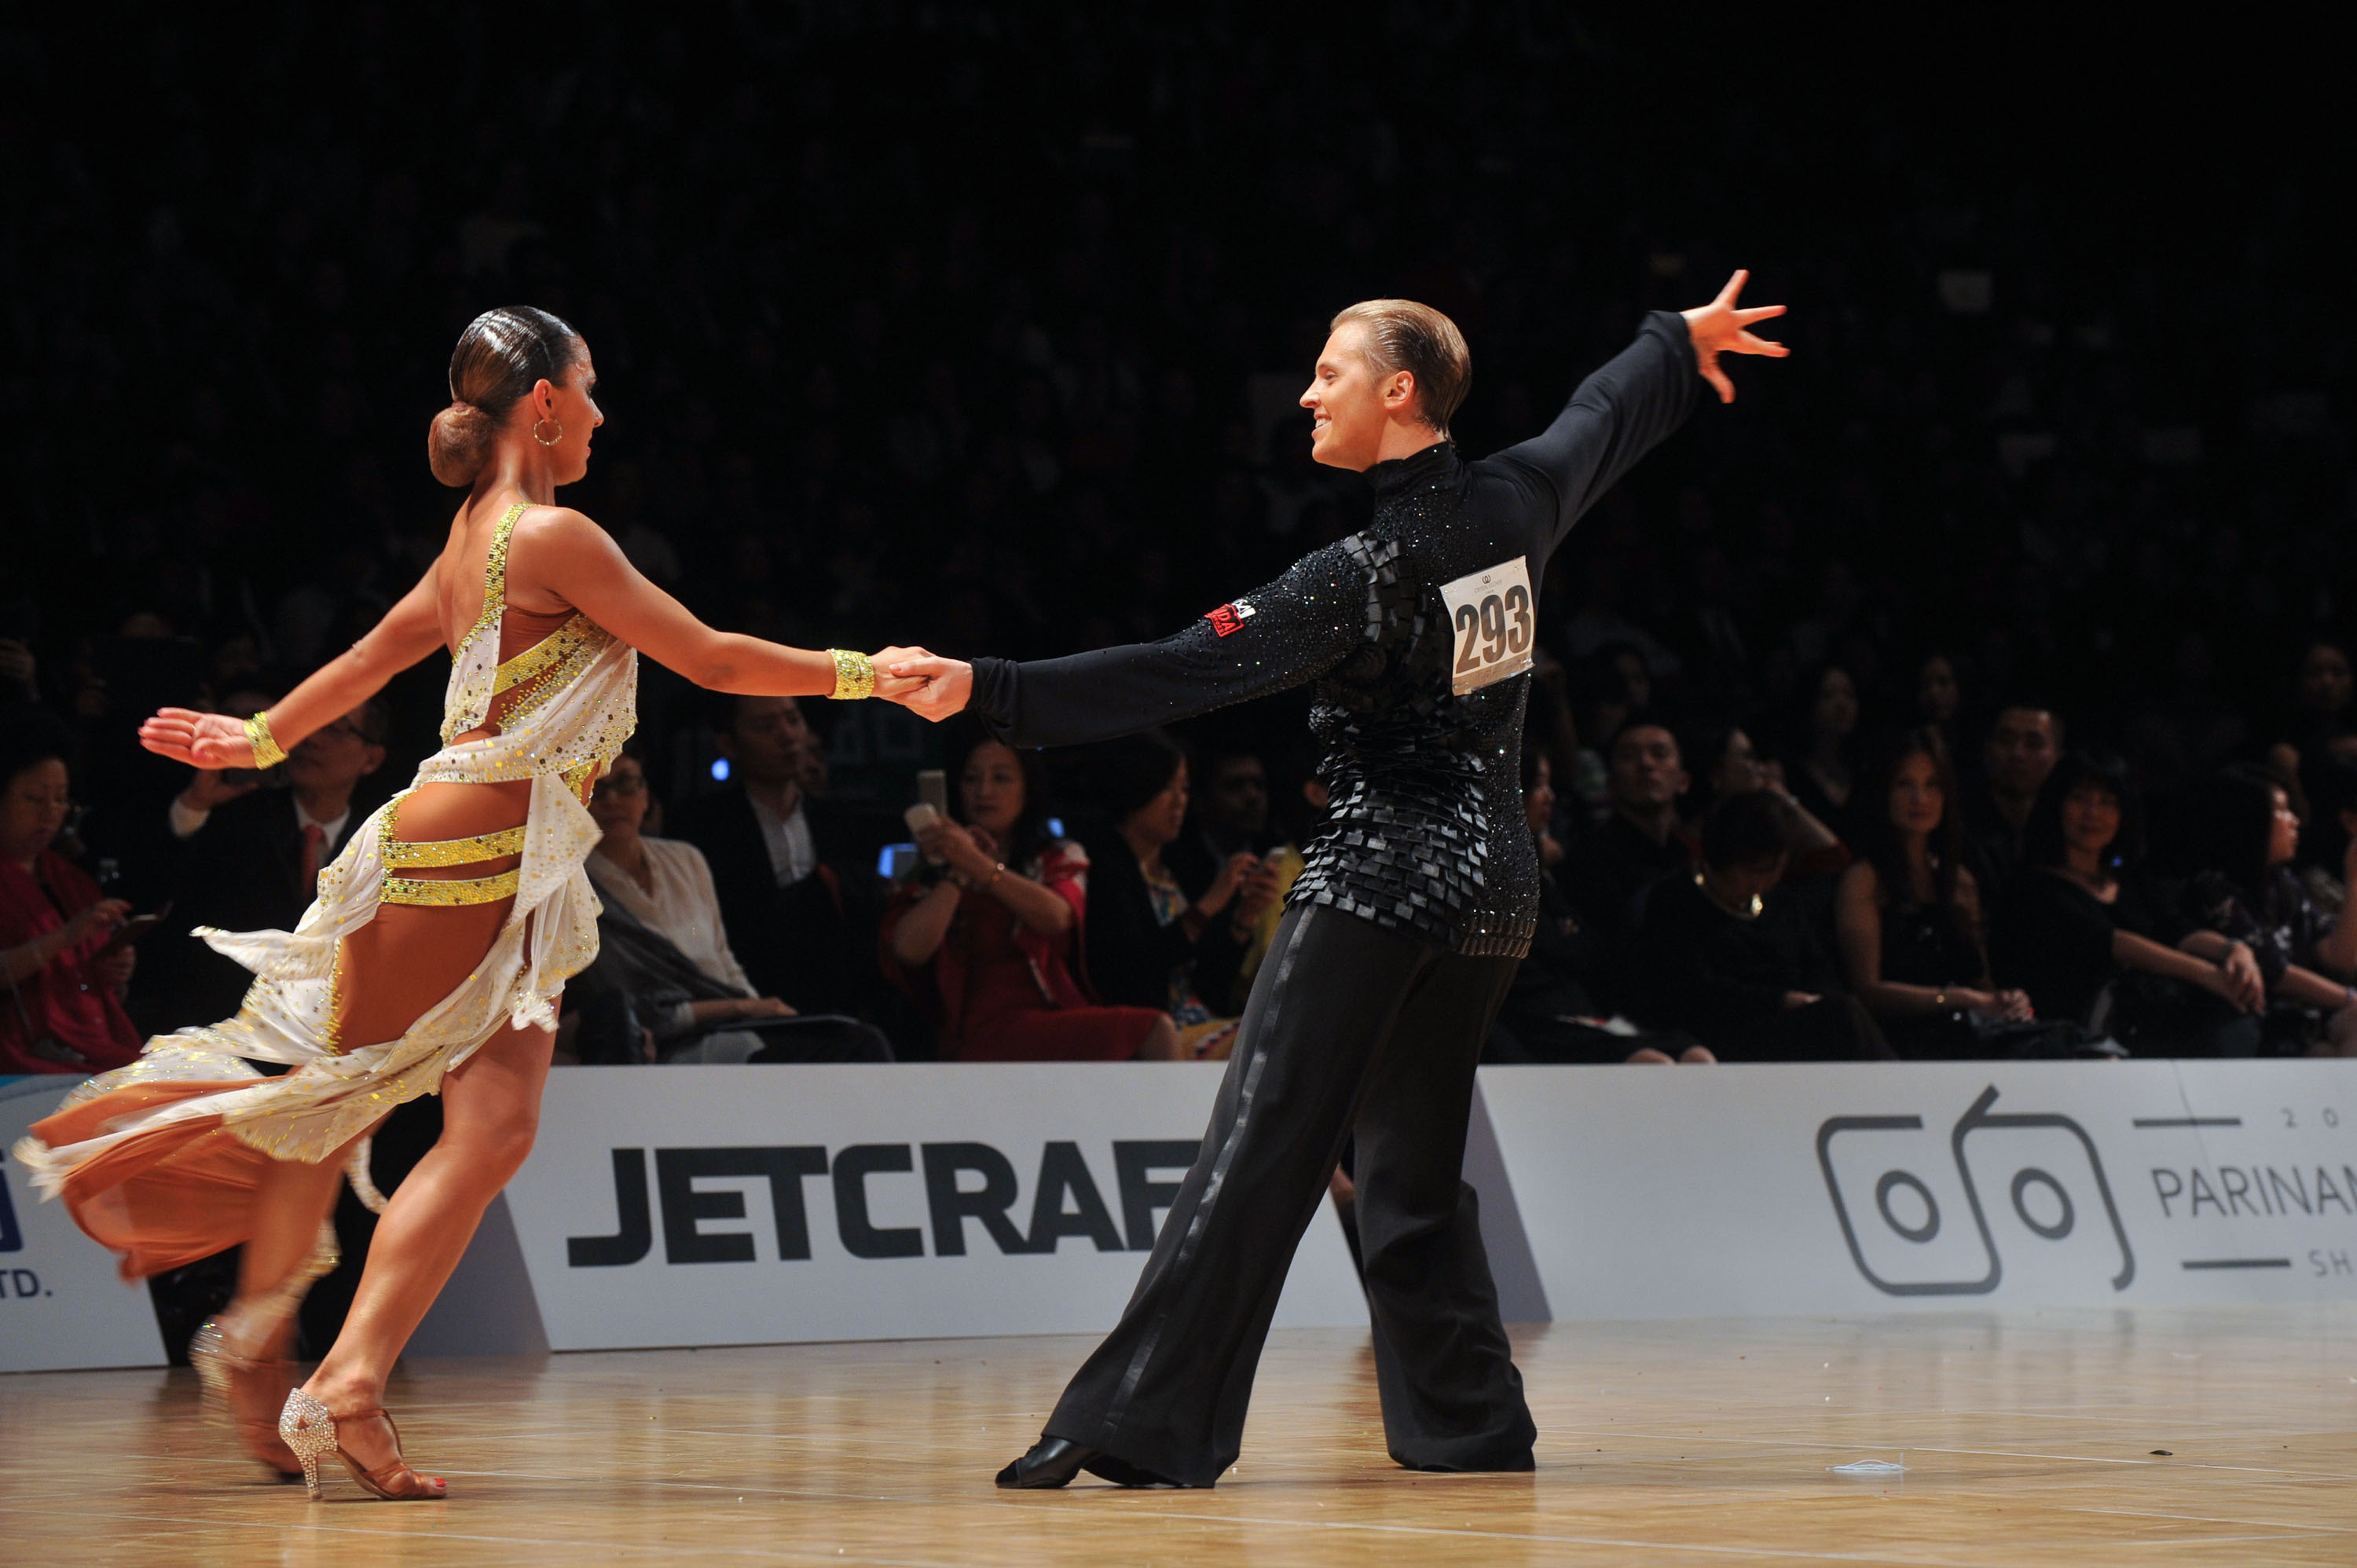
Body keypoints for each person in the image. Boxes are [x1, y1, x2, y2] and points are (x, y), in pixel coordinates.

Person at [889, 271, 1788, 1488]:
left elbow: (1174, 672)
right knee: (1411, 1171)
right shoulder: (1518, 499)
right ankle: (1469, 1424)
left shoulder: (1359, 574)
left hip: (1377, 882)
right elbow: (1604, 415)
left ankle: (1141, 1423)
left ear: (1399, 391)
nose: (1308, 393)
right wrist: (1676, 340)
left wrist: (986, 686)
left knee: (1259, 1143)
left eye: (1330, 372)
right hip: (1495, 898)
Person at [13, 306, 917, 1500]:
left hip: (514, 866)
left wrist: (265, 733)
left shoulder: (476, 537)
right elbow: (711, 659)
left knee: (486, 1130)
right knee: (334, 1101)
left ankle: (339, 1378)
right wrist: (871, 673)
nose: (599, 414)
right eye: (588, 390)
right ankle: (263, 1339)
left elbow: (374, 654)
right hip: (469, 850)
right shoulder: (550, 534)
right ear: (542, 403)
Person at [882, 721, 1180, 1061]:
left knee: (1156, 1028)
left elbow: (1057, 917)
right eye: (971, 779)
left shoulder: (1057, 856)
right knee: (1156, 1029)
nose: (984, 791)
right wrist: (957, 872)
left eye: (1001, 778)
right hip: (973, 1029)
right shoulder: (932, 868)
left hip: (1050, 1012)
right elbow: (908, 950)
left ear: (1028, 788)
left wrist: (978, 864)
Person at [579, 743, 891, 1063]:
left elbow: (724, 961)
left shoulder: (685, 859)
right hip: (672, 1042)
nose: (612, 800)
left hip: (734, 1023)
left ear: (645, 795)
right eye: (596, 789)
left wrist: (761, 1014)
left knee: (859, 1039)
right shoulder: (574, 887)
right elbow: (635, 1009)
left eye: (626, 783)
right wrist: (743, 1008)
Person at [1988, 749, 2262, 1056]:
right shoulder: (2034, 887)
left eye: (2107, 802)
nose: (2092, 813)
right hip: (2075, 1037)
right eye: (2080, 798)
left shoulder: (2128, 879)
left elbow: (2175, 928)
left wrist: (2234, 951)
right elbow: (2113, 943)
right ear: (2057, 805)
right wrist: (2208, 976)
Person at [141, 702, 390, 1031]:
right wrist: (195, 805)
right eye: (310, 723)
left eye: (336, 728)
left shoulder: (379, 843)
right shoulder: (240, 815)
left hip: (324, 1031)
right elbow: (161, 887)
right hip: (215, 1021)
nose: (312, 738)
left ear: (371, 758)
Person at [1486, 748, 1712, 1065]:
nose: (1550, 796)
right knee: (1651, 1062)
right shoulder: (1493, 879)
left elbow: (1587, 950)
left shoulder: (1544, 877)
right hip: (1534, 1022)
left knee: (1694, 1053)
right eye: (1537, 785)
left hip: (1582, 1012)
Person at [1635, 791, 1897, 1062]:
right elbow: (1691, 989)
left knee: (1844, 1010)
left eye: (1774, 870)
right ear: (1723, 859)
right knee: (1842, 1016)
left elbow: (1818, 967)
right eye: (1752, 871)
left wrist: (1815, 998)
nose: (1762, 882)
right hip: (1723, 1031)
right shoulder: (1676, 900)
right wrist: (1780, 999)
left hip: (1793, 1022)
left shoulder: (1780, 901)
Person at [668, 693, 878, 1020]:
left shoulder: (840, 823)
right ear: (728, 744)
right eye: (766, 726)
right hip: (745, 1003)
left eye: (793, 720)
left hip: (837, 1004)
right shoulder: (702, 829)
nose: (787, 736)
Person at [1833, 729, 2033, 1058]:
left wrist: (2006, 1001)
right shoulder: (1865, 879)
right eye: (1905, 784)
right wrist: (1956, 999)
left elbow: (1981, 980)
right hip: (1903, 1041)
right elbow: (1867, 990)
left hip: (1971, 1031)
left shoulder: (1959, 880)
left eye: (1932, 785)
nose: (1920, 798)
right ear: (1884, 792)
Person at [1079, 731, 1276, 1053]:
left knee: (1281, 1029)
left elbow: (1212, 984)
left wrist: (1244, 918)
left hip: (1200, 1020)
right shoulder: (1103, 868)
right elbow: (1131, 972)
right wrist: (1208, 905)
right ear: (1134, 787)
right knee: (1270, 1043)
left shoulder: (1180, 868)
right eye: (1166, 787)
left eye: (1183, 788)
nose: (1178, 801)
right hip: (1152, 1033)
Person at [2180, 765, 2357, 1055]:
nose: (2295, 821)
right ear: (2250, 820)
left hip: (2307, 1026)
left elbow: (2339, 957)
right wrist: (2350, 999)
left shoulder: (2286, 883)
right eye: (2283, 810)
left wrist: (2354, 878)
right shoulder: (2214, 888)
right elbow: (2275, 972)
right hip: (2257, 1028)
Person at [1, 714, 142, 1075]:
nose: (50, 813)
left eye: (60, 799)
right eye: (34, 798)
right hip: (20, 1059)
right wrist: (65, 937)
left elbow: (93, 992)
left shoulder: (70, 879)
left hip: (89, 1048)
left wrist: (112, 974)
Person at [1559, 721, 1695, 1010]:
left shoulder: (1693, 854)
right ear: (1611, 784)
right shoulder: (1589, 861)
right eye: (1629, 756)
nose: (1646, 764)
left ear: (1683, 781)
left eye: (1659, 753)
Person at [1960, 699, 2063, 908]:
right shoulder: (1957, 825)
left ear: (2058, 759)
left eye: (2034, 744)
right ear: (1987, 750)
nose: (2017, 753)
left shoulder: (2067, 829)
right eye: (2006, 741)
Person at [1782, 662, 1864, 847]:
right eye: (1828, 695)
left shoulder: (1866, 768)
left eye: (1850, 695)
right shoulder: (1787, 773)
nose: (1842, 704)